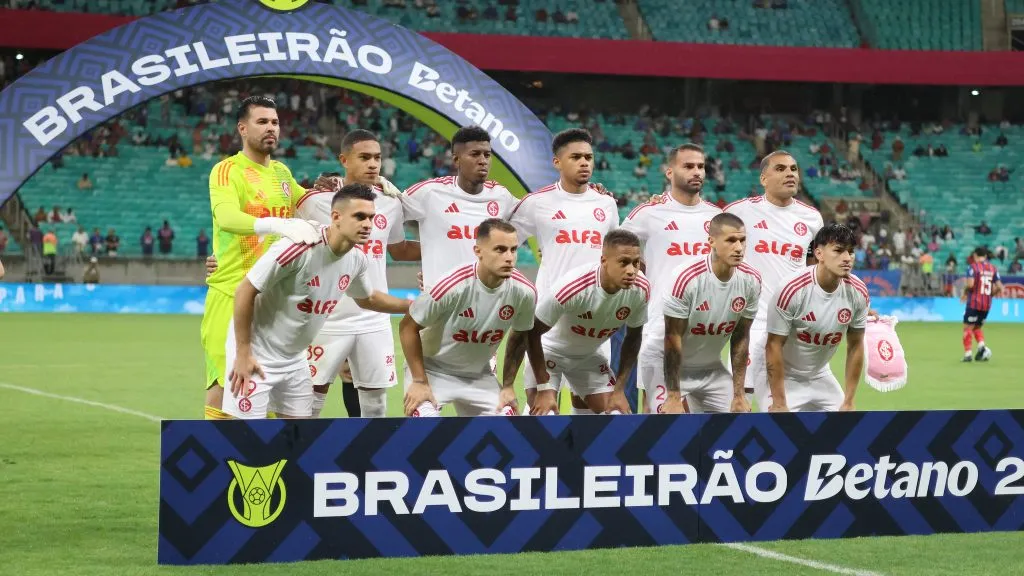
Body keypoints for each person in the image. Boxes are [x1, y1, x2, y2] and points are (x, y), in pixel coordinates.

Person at [223, 184, 411, 420]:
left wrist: (413, 307)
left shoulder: (356, 260)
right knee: (244, 439)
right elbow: (245, 290)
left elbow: (368, 299)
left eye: (372, 218)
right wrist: (242, 353)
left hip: (294, 359)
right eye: (359, 216)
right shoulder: (299, 247)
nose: (367, 225)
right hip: (256, 354)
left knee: (300, 436)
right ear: (336, 217)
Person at [201, 95, 320, 421]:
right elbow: (226, 217)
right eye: (262, 122)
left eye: (275, 122)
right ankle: (219, 465)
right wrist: (276, 223)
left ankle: (271, 467)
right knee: (227, 383)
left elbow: (311, 204)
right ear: (242, 128)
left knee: (267, 388)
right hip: (230, 294)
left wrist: (338, 188)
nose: (271, 128)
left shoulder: (282, 173)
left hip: (275, 299)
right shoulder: (226, 171)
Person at [295, 129, 420, 418]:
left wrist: (454, 246)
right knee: (310, 396)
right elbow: (279, 233)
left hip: (374, 318)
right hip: (325, 316)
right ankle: (298, 458)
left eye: (377, 158)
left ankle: (371, 462)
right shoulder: (315, 202)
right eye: (364, 157)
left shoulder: (389, 203)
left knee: (375, 400)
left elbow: (399, 250)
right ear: (344, 160)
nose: (373, 164)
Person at [508, 128, 620, 410]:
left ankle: (582, 455)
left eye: (589, 157)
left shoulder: (606, 204)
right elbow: (502, 244)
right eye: (576, 157)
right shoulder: (537, 203)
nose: (585, 163)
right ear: (557, 162)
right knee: (542, 410)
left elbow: (616, 256)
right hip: (549, 323)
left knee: (598, 414)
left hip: (593, 324)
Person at [619, 143, 722, 412]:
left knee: (708, 429)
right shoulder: (648, 213)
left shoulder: (718, 218)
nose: (696, 171)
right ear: (669, 172)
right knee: (661, 420)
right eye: (688, 166)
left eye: (700, 166)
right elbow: (614, 253)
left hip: (705, 335)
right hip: (659, 329)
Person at [400, 219, 536, 417]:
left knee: (508, 425)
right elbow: (407, 327)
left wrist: (508, 386)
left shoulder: (525, 292)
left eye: (513, 250)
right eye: (500, 249)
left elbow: (521, 335)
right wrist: (419, 381)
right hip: (433, 371)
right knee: (424, 426)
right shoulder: (451, 285)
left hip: (479, 376)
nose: (509, 258)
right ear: (478, 251)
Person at [726, 150, 823, 409]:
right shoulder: (740, 211)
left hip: (792, 325)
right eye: (780, 169)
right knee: (739, 404)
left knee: (787, 406)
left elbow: (817, 268)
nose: (790, 173)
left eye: (793, 168)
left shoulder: (812, 218)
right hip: (749, 322)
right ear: (763, 178)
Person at [524, 230, 649, 416]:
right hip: (550, 353)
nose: (631, 270)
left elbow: (633, 338)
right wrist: (543, 387)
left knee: (617, 415)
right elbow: (530, 332)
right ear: (604, 260)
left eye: (635, 263)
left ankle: (580, 434)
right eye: (624, 262)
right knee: (545, 417)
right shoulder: (574, 287)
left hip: (588, 357)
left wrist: (619, 390)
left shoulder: (641, 288)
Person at [659, 213, 762, 414]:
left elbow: (741, 337)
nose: (739, 248)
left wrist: (739, 394)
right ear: (711, 241)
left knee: (738, 419)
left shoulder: (751, 280)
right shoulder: (686, 278)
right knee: (667, 429)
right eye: (731, 240)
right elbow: (673, 337)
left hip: (711, 368)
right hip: (669, 366)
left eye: (742, 240)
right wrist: (673, 395)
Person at [764, 224, 869, 412]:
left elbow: (855, 345)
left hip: (820, 374)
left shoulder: (858, 292)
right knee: (779, 433)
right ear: (819, 254)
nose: (847, 258)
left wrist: (849, 400)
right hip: (783, 374)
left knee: (847, 430)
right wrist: (779, 402)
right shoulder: (792, 290)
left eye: (851, 252)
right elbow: (773, 345)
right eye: (838, 251)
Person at [401, 126, 518, 292]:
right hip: (440, 302)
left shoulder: (502, 196)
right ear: (456, 160)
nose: (483, 160)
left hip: (486, 300)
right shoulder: (429, 192)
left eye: (487, 155)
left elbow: (539, 218)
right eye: (475, 154)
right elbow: (387, 214)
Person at [961, 247, 1002, 362]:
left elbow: (970, 284)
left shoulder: (973, 267)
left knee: (968, 327)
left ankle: (968, 354)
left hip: (974, 302)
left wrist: (964, 293)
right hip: (986, 304)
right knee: (977, 327)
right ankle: (981, 348)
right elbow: (999, 286)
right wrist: (990, 295)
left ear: (975, 255)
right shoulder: (993, 268)